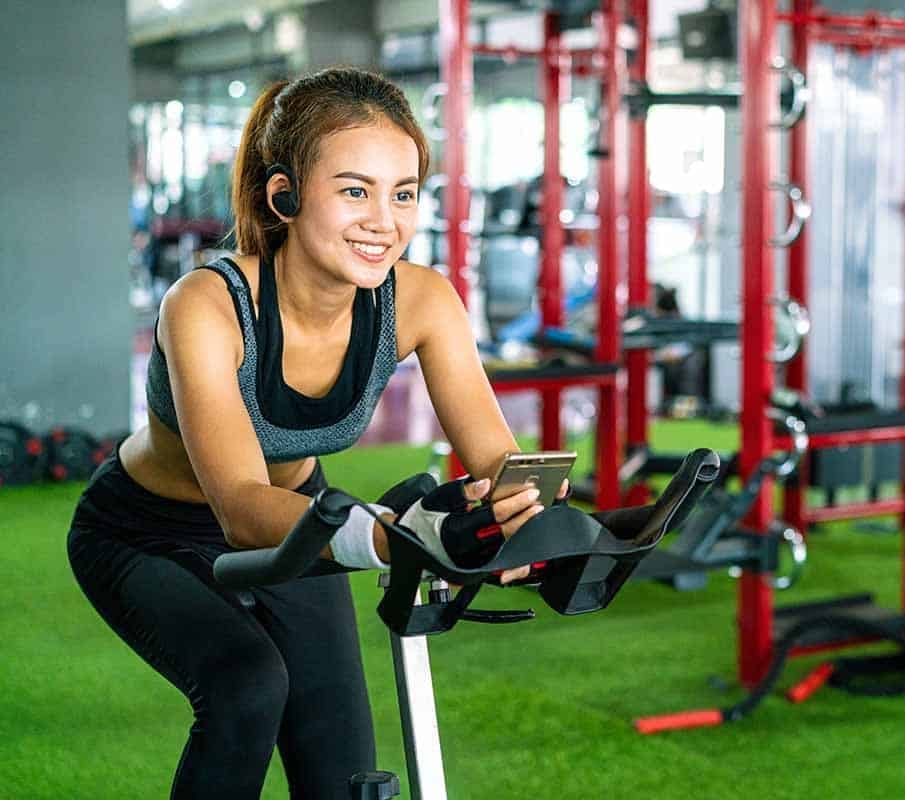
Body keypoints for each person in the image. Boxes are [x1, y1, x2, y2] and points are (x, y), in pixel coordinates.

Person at [67, 67, 561, 799]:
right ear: (285, 196)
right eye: (355, 190)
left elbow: (501, 458)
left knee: (341, 767)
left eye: (404, 193)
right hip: (148, 532)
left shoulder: (423, 299)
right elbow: (238, 504)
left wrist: (537, 514)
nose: (384, 221)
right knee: (247, 685)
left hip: (307, 518)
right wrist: (397, 536)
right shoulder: (206, 305)